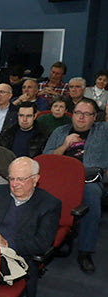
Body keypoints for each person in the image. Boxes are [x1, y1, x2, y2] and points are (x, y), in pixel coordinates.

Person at [0, 157, 60, 297]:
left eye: (21, 179)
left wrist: (7, 243)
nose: (15, 184)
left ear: (35, 179)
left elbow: (42, 243)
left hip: (17, 256)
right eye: (12, 178)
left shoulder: (49, 204)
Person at [43, 99, 108, 273]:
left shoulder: (103, 131)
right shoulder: (60, 131)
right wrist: (64, 145)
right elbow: (47, 157)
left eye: (87, 114)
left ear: (95, 117)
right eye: (78, 113)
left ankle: (85, 251)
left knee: (92, 196)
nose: (81, 117)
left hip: (88, 180)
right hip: (59, 178)